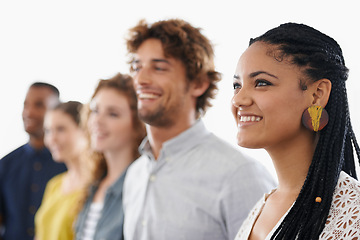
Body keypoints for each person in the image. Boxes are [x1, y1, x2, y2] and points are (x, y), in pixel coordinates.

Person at [122, 19, 276, 240]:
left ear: (198, 83)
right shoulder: (135, 174)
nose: (141, 79)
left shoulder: (239, 176)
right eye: (137, 67)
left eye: (159, 68)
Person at [231, 23, 360, 240]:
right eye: (237, 85)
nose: (238, 99)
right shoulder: (261, 208)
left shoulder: (353, 215)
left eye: (261, 83)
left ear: (317, 94)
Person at [75, 73, 146, 240]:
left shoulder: (140, 187)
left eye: (112, 114)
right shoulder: (95, 183)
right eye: (95, 110)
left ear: (137, 125)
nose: (97, 120)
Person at [0, 82, 67, 240]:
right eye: (26, 105)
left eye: (39, 105)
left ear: (55, 111)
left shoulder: (69, 166)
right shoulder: (5, 164)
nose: (29, 112)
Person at [35, 101, 88, 240]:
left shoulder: (95, 186)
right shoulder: (55, 185)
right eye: (48, 131)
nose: (52, 138)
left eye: (61, 129)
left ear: (84, 130)